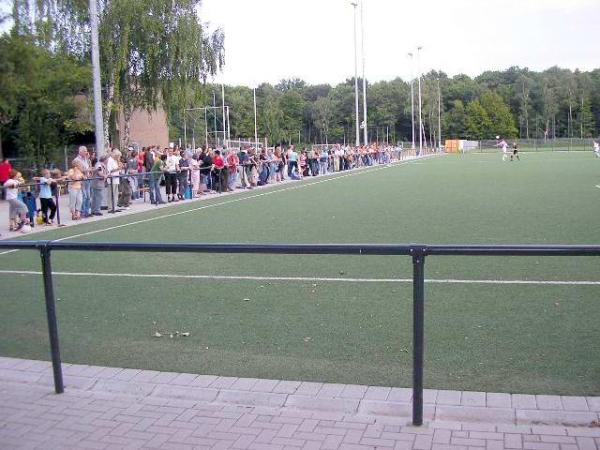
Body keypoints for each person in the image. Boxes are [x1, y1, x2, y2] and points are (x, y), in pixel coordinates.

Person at [73, 146, 92, 217]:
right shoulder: (77, 160)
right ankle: (82, 212)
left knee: (88, 196)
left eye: (86, 151)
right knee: (83, 196)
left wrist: (89, 170)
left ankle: (87, 212)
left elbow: (88, 168)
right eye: (85, 151)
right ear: (80, 152)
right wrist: (87, 170)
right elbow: (80, 170)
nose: (86, 152)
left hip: (88, 179)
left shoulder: (86, 159)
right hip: (82, 180)